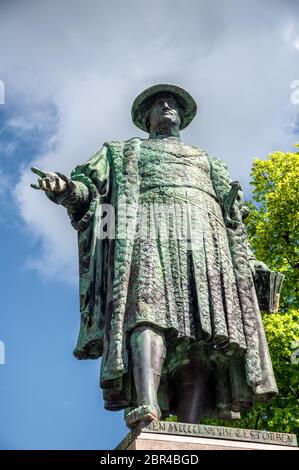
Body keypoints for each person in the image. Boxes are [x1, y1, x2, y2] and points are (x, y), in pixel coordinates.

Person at [31, 84, 281, 428]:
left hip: (205, 242)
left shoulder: (210, 162)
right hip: (147, 234)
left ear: (182, 116)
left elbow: (234, 219)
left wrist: (250, 262)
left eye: (173, 103)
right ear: (145, 118)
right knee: (145, 312)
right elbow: (91, 192)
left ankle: (191, 425)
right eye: (158, 104)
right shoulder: (121, 152)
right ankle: (147, 403)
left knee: (198, 334)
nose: (167, 106)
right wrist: (66, 190)